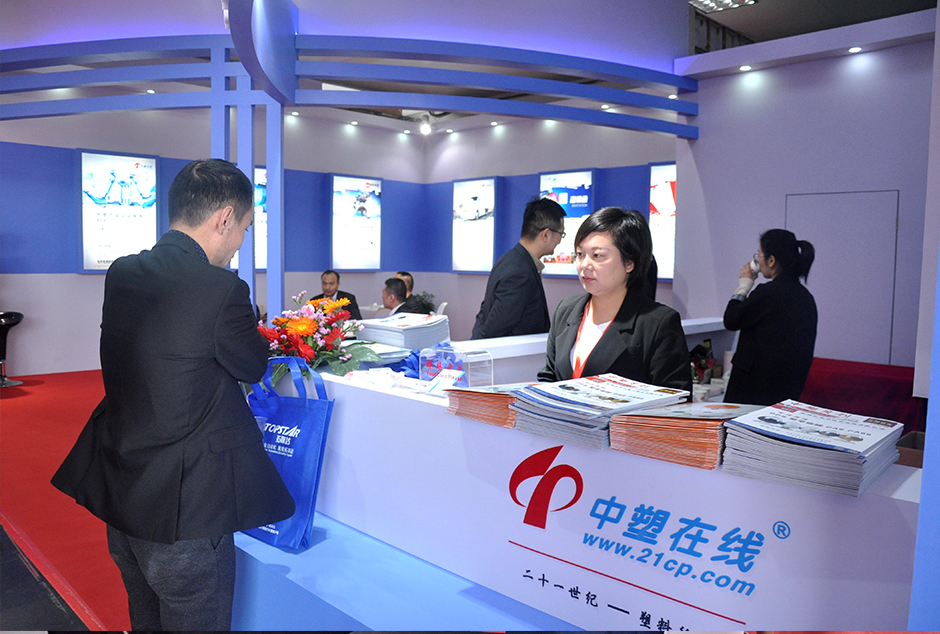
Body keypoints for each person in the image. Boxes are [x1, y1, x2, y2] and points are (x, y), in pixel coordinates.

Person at [51, 159, 295, 631]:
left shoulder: (122, 272)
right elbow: (251, 365)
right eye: (245, 229)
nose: (240, 242)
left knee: (145, 618)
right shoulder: (221, 288)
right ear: (224, 218)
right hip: (187, 510)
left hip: (124, 493)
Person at [538, 207, 691, 393]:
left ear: (629, 263)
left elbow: (675, 399)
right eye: (580, 254)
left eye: (597, 255)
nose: (585, 264)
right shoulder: (566, 310)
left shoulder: (658, 324)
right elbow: (550, 377)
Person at [723, 228, 817, 405]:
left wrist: (744, 286)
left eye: (759, 255)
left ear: (771, 260)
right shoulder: (806, 297)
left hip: (752, 393)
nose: (757, 260)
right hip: (786, 393)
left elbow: (731, 320)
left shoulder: (767, 293)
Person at [471, 197, 566, 339]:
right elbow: (494, 329)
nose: (560, 240)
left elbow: (485, 314)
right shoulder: (520, 272)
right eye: (561, 234)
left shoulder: (510, 259)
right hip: (511, 353)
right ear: (545, 234)